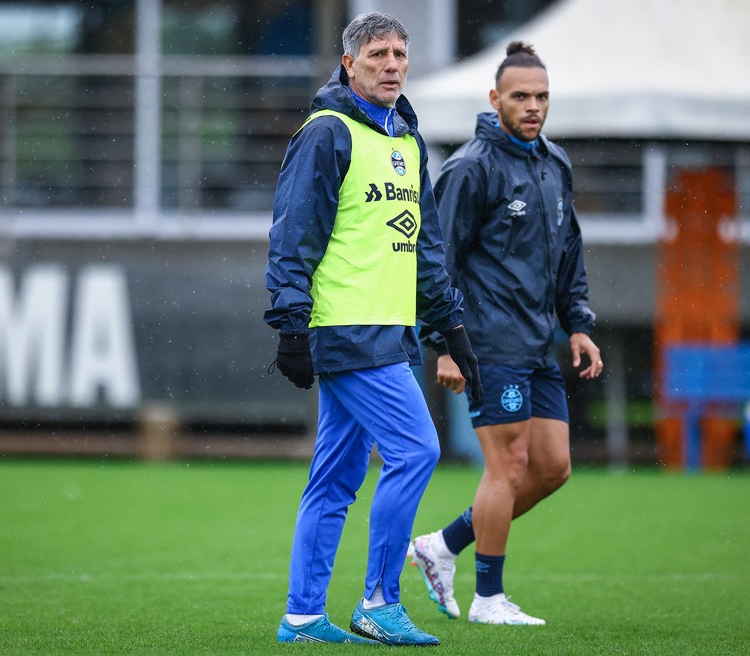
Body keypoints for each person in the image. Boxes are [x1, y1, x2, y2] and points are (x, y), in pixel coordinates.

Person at [265, 11, 483, 646]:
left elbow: (425, 249)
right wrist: (291, 325)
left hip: (389, 332)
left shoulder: (407, 140)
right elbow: (293, 234)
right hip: (347, 330)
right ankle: (379, 602)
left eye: (399, 54)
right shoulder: (327, 133)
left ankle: (303, 616)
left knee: (334, 479)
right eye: (377, 55)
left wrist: (451, 328)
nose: (391, 65)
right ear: (348, 64)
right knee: (417, 450)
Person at [409, 41, 602, 626]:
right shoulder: (470, 167)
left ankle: (441, 545)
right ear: (495, 100)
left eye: (542, 96)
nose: (533, 106)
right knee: (509, 465)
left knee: (553, 468)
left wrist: (577, 324)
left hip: (538, 343)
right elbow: (435, 259)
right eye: (521, 96)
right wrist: (443, 345)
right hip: (486, 342)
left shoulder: (555, 162)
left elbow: (568, 250)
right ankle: (488, 599)